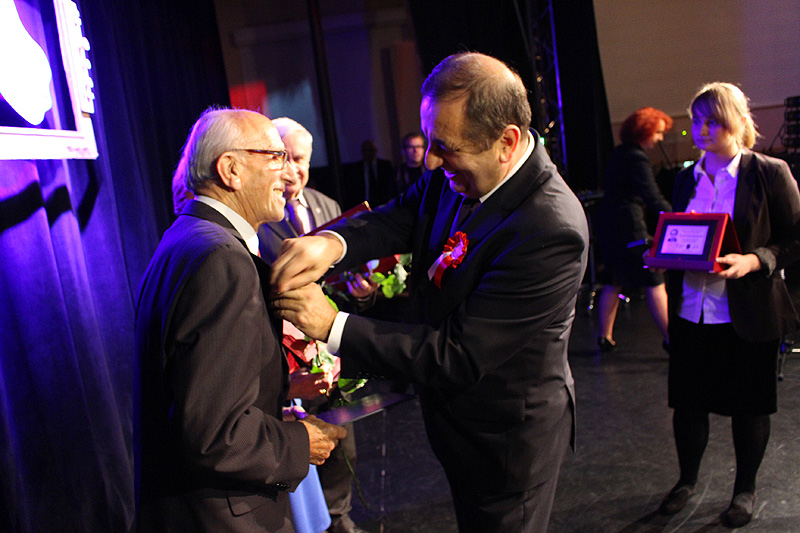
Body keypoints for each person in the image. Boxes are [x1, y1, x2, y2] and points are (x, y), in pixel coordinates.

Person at [270, 52, 589, 533]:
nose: (431, 161)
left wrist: (331, 325)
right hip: (457, 423)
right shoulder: (457, 168)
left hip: (505, 441)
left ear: (506, 142)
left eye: (445, 148)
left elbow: (457, 354)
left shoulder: (549, 228)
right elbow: (401, 216)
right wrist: (332, 243)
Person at [135, 108, 346, 532]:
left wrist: (281, 389)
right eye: (276, 156)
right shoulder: (222, 258)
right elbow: (214, 434)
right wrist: (300, 442)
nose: (289, 173)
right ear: (230, 169)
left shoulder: (188, 237)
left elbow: (196, 389)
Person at [656, 83, 800, 528]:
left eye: (713, 121)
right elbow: (682, 237)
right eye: (697, 120)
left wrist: (755, 260)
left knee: (750, 408)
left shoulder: (769, 172)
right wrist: (660, 251)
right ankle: (686, 481)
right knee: (688, 406)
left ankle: (745, 490)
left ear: (737, 121)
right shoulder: (685, 177)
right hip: (690, 311)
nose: (701, 129)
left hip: (747, 313)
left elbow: (794, 240)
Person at [258, 116, 372, 533]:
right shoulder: (261, 214)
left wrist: (364, 292)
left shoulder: (328, 207)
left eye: (301, 159)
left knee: (342, 445)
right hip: (285, 355)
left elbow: (349, 276)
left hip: (331, 347)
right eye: (285, 158)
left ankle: (339, 519)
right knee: (298, 455)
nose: (294, 169)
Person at [594, 107, 673, 351]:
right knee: (654, 277)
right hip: (628, 226)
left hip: (609, 225)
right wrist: (676, 218)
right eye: (658, 133)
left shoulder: (619, 153)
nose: (660, 138)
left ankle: (605, 337)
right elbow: (652, 196)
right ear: (644, 131)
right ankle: (672, 340)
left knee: (614, 278)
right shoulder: (636, 158)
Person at [341, 139, 396, 209]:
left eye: (371, 150)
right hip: (363, 204)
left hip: (382, 203)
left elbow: (389, 186)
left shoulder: (385, 166)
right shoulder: (356, 168)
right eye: (366, 150)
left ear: (375, 151)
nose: (369, 153)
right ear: (362, 152)